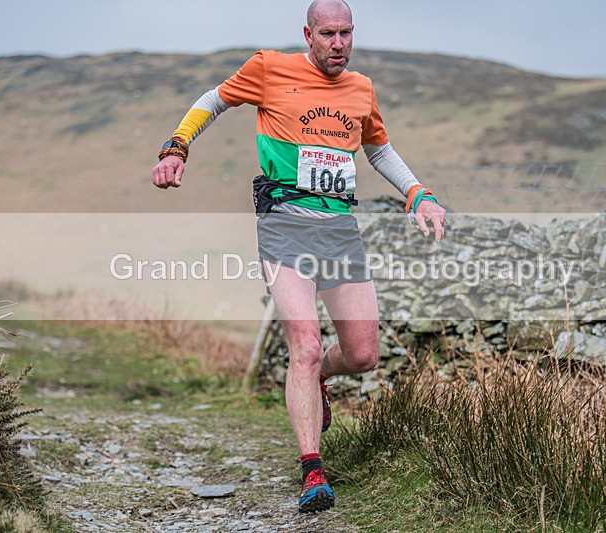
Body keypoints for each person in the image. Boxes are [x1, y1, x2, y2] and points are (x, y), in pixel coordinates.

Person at [152, 0, 446, 513]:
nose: (338, 44)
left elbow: (377, 149)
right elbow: (213, 99)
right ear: (307, 34)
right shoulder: (269, 67)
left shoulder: (361, 89)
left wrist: (417, 192)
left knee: (362, 355)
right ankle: (313, 471)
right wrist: (177, 147)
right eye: (328, 33)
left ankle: (322, 379)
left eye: (346, 33)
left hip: (339, 230)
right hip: (283, 223)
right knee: (305, 346)